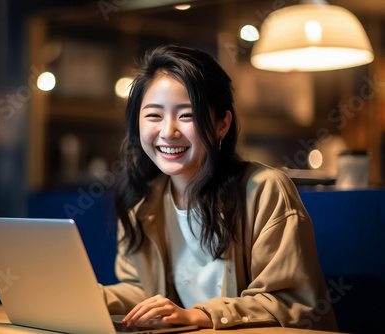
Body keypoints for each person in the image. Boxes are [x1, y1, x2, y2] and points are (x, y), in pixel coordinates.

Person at [99, 45, 338, 331]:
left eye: (186, 115)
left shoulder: (265, 191)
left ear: (222, 124)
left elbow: (290, 301)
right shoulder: (141, 199)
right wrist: (87, 295)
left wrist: (197, 315)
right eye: (153, 116)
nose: (167, 131)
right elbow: (141, 290)